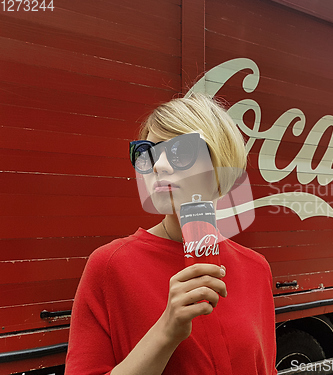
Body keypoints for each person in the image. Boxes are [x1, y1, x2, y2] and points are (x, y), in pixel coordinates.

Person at [65, 93, 278, 375]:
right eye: (146, 151)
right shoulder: (109, 266)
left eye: (180, 152)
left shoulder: (255, 268)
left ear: (221, 164)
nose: (159, 166)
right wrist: (167, 330)